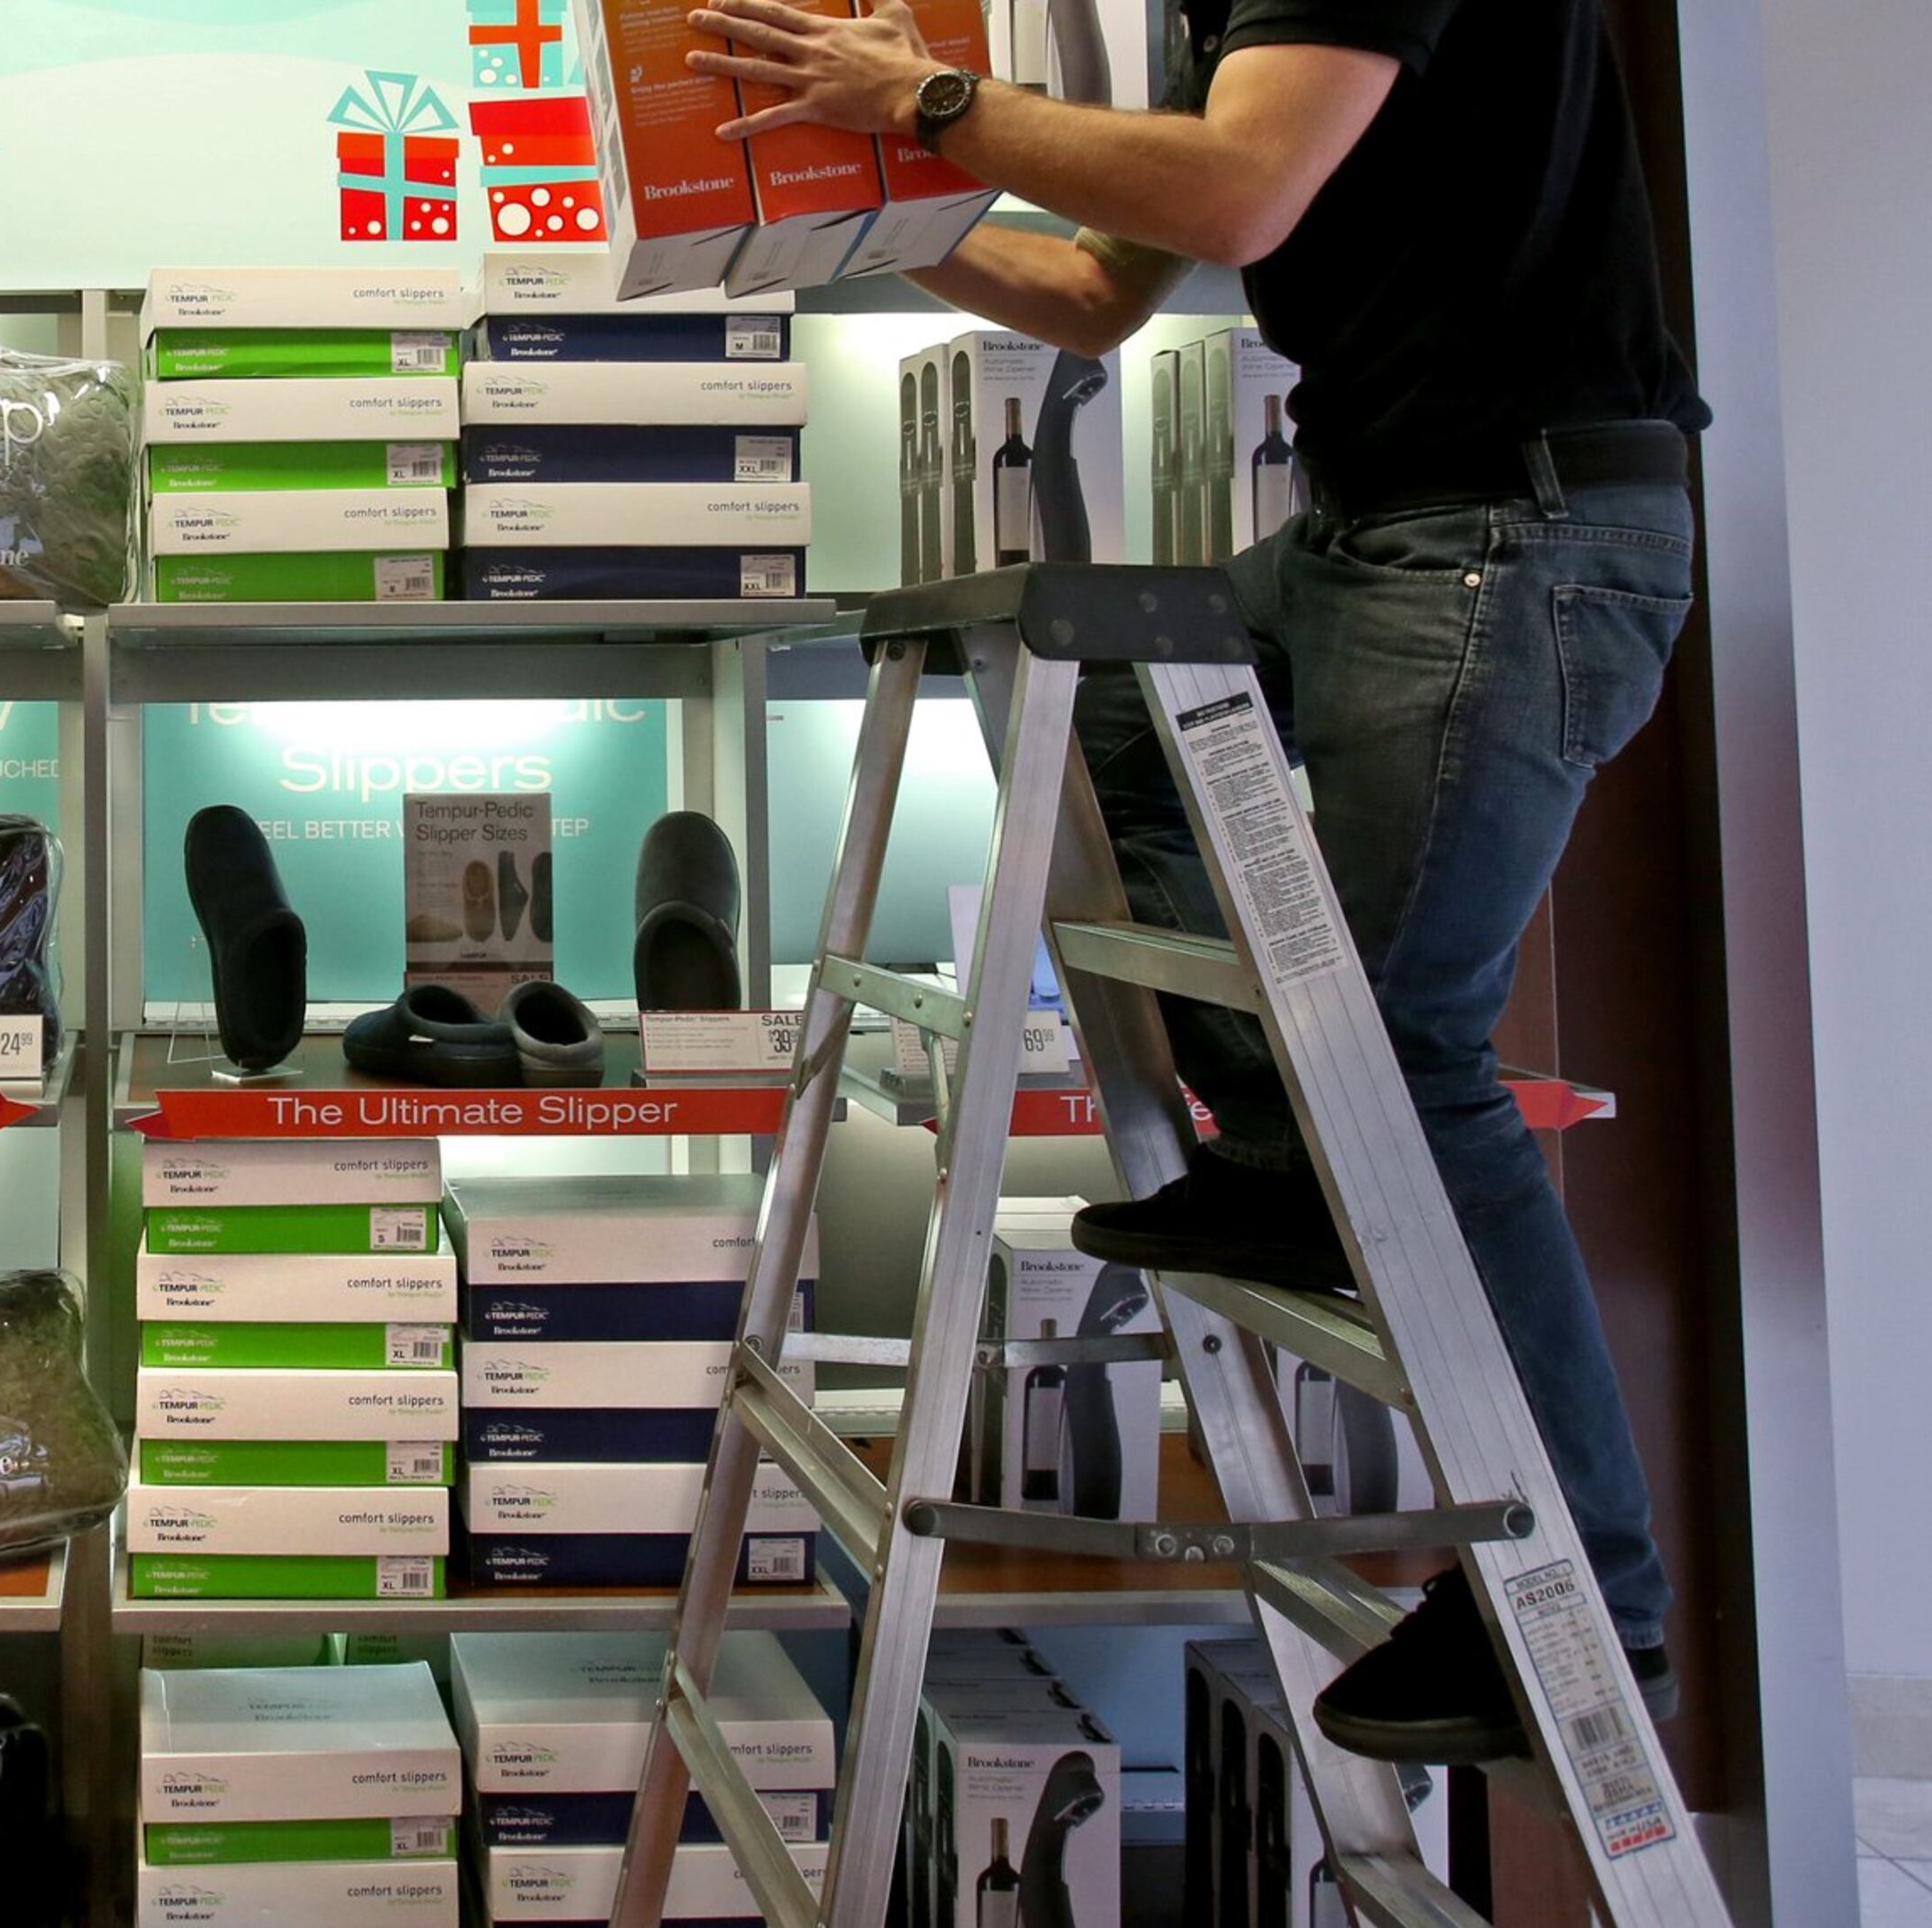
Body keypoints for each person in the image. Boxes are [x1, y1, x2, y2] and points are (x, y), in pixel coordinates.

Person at [690, 0, 1707, 1765]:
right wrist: (852, 219)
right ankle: (1289, 1162)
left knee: (1409, 1062)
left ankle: (1585, 1624)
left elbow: (1237, 202)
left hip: (1508, 533)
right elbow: (1100, 292)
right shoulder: (1226, 19)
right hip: (1372, 521)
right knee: (1128, 710)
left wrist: (928, 104)